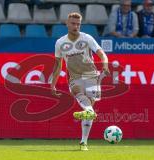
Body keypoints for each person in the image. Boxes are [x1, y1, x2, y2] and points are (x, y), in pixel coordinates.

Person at [51, 12, 110, 151]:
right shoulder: (60, 42)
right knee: (81, 97)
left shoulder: (87, 38)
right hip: (74, 78)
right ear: (67, 23)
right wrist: (52, 84)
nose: (75, 26)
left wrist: (105, 65)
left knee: (89, 109)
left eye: (78, 24)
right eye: (73, 23)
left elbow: (101, 53)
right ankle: (89, 111)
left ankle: (83, 142)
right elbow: (58, 65)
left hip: (91, 76)